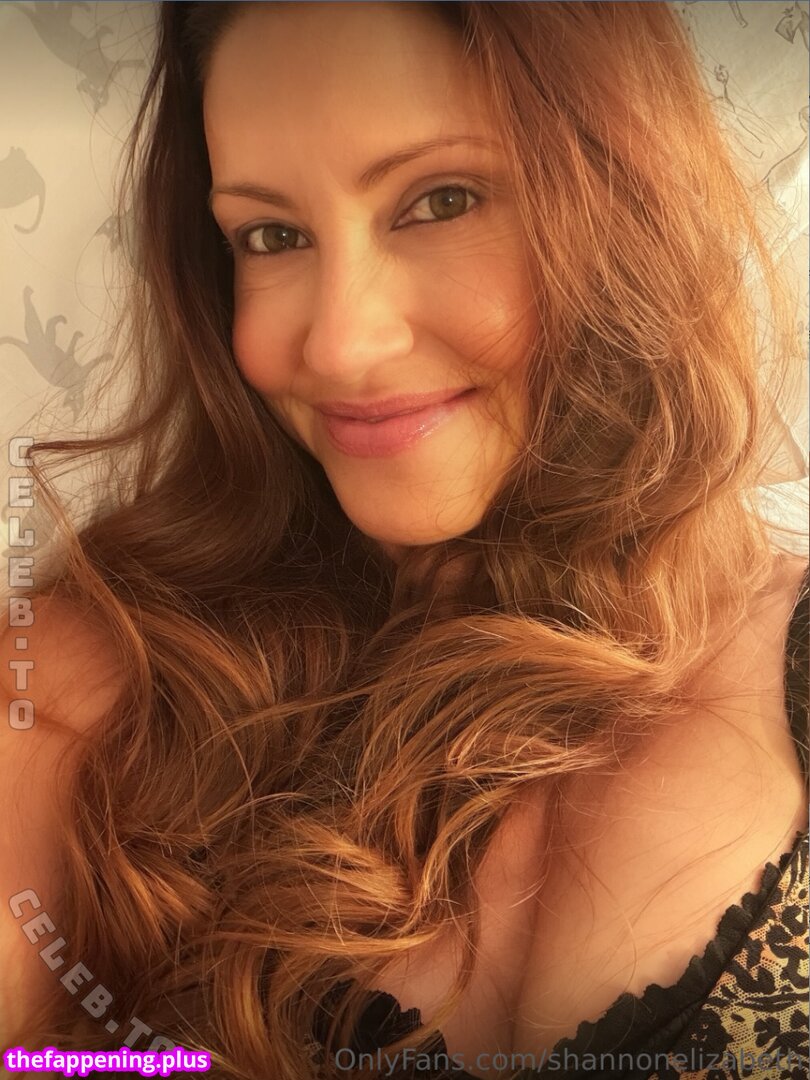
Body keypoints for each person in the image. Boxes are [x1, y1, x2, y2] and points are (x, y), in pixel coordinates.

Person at [1, 3, 807, 1079]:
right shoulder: (101, 677)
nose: (341, 344)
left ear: (626, 205)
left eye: (442, 200)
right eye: (272, 236)